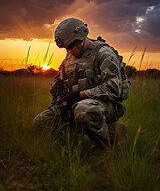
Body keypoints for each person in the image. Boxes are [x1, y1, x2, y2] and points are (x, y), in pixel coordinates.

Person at [34, 18, 129, 147]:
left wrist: (79, 95)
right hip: (76, 104)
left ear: (81, 39)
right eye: (65, 48)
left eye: (70, 46)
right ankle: (73, 140)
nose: (68, 51)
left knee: (84, 111)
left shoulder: (104, 54)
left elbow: (113, 88)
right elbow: (58, 78)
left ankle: (110, 139)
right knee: (41, 123)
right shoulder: (70, 56)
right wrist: (56, 86)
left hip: (107, 105)